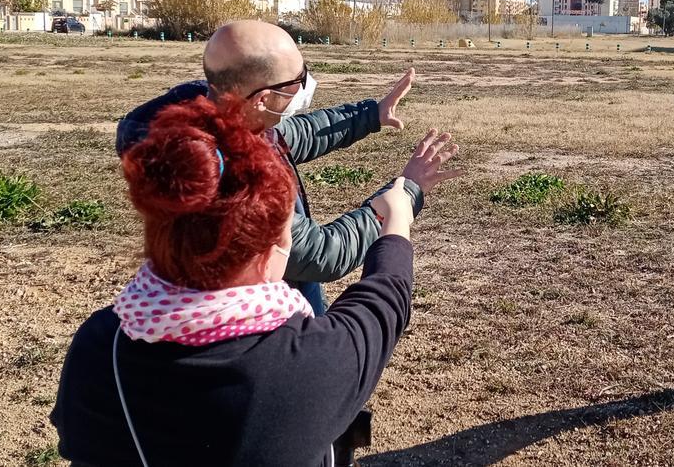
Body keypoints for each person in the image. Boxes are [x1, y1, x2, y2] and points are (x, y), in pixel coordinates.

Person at [53, 96, 453, 466]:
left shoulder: (101, 343)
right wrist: (398, 221)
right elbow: (385, 298)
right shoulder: (313, 359)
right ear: (272, 250)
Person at [116, 21, 453, 316]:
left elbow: (293, 136)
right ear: (260, 99)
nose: (305, 86)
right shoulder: (232, 179)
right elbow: (320, 253)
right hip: (259, 325)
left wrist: (370, 115)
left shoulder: (219, 113)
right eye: (296, 81)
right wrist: (406, 191)